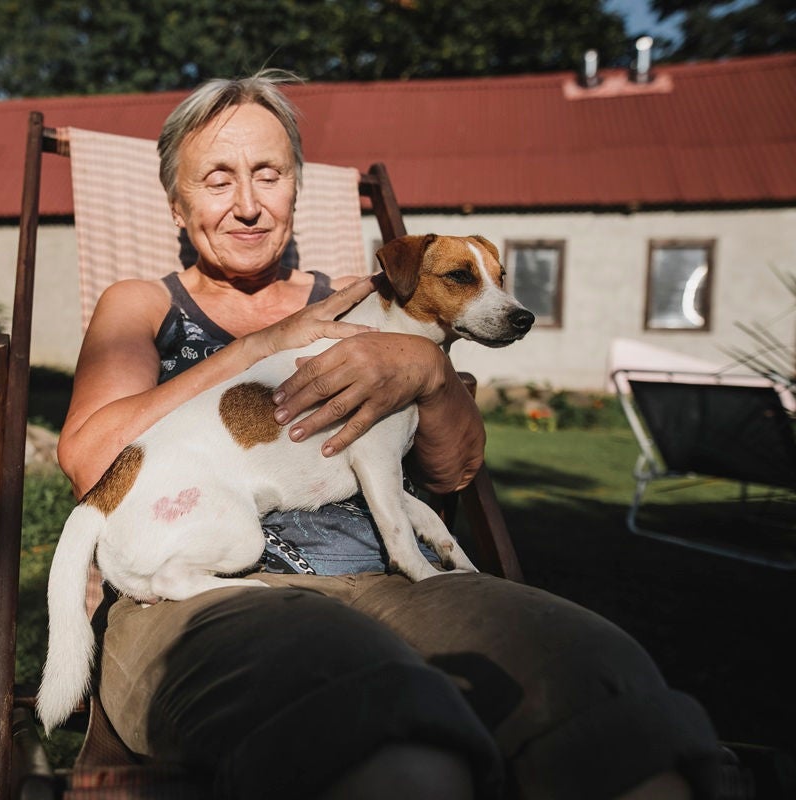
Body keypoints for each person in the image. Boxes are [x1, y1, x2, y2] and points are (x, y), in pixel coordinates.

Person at [55, 69, 722, 800]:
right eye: (217, 180)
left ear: (296, 189)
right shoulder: (142, 306)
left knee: (596, 676)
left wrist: (427, 371)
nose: (247, 205)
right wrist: (257, 347)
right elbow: (91, 460)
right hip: (207, 598)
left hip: (388, 576)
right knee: (379, 726)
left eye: (268, 175)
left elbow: (455, 471)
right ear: (177, 205)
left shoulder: (377, 299)